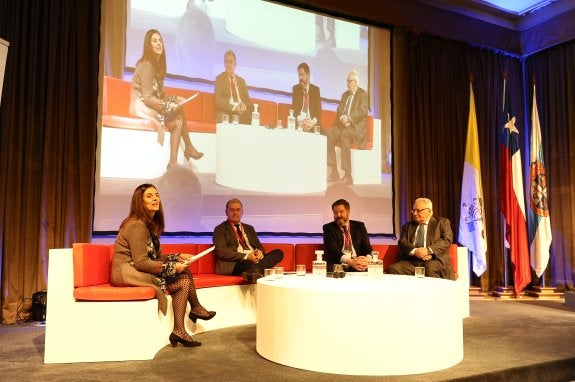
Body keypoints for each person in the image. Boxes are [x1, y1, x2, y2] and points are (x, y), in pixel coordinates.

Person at [111, 184, 215, 348]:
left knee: (184, 276)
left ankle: (181, 328)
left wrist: (177, 257)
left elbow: (155, 256)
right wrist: (172, 267)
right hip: (128, 272)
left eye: (157, 195)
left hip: (136, 269)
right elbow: (141, 262)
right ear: (140, 201)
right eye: (149, 196)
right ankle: (194, 310)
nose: (155, 199)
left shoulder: (148, 224)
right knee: (183, 278)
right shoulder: (137, 225)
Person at [130, 29, 204, 170]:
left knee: (177, 120)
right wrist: (167, 106)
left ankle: (174, 161)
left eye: (160, 40)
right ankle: (185, 150)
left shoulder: (157, 67)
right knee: (177, 116)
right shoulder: (147, 65)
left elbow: (159, 95)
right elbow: (147, 98)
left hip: (150, 104)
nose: (159, 44)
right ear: (148, 45)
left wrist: (174, 99)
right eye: (154, 41)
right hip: (141, 106)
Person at [213, 198, 284, 283]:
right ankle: (257, 270)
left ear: (242, 212)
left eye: (238, 210)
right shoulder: (220, 229)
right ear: (226, 212)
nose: (235, 213)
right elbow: (221, 251)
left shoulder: (249, 228)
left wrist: (259, 253)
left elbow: (260, 247)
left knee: (278, 253)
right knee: (249, 263)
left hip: (254, 260)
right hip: (236, 263)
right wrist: (246, 256)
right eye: (232, 210)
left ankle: (253, 271)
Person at [387, 197, 455, 280]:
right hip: (412, 262)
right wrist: (416, 251)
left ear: (429, 211)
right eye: (413, 211)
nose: (415, 214)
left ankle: (435, 293)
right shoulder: (408, 226)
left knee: (430, 267)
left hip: (435, 260)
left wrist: (428, 251)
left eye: (418, 210)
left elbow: (446, 240)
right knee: (394, 269)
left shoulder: (442, 223)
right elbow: (402, 242)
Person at [326, 69, 369, 185]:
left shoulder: (363, 95)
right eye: (347, 81)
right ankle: (334, 171)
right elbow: (339, 110)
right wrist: (343, 118)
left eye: (350, 81)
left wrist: (349, 118)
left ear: (356, 82)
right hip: (343, 125)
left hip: (356, 128)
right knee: (329, 133)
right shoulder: (345, 95)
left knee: (345, 134)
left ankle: (348, 174)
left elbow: (362, 111)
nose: (347, 83)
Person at [323, 199, 373, 272]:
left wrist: (367, 260)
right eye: (335, 213)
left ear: (348, 212)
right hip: (338, 263)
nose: (338, 215)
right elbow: (332, 250)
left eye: (341, 212)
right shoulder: (328, 228)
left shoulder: (359, 226)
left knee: (372, 269)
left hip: (357, 262)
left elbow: (367, 247)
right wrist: (350, 261)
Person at [214, 50, 254, 125]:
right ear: (224, 63)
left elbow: (248, 102)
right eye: (226, 61)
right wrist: (234, 108)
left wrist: (244, 107)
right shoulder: (219, 79)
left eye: (231, 62)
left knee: (252, 111)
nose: (228, 64)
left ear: (235, 64)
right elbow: (219, 101)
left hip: (241, 114)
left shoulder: (242, 81)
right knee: (223, 115)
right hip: (228, 112)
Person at [291, 62, 322, 132]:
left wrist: (312, 122)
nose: (300, 78)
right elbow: (294, 110)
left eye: (302, 75)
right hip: (299, 124)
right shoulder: (296, 89)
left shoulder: (315, 90)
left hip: (312, 124)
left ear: (308, 75)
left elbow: (318, 111)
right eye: (299, 75)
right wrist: (302, 121)